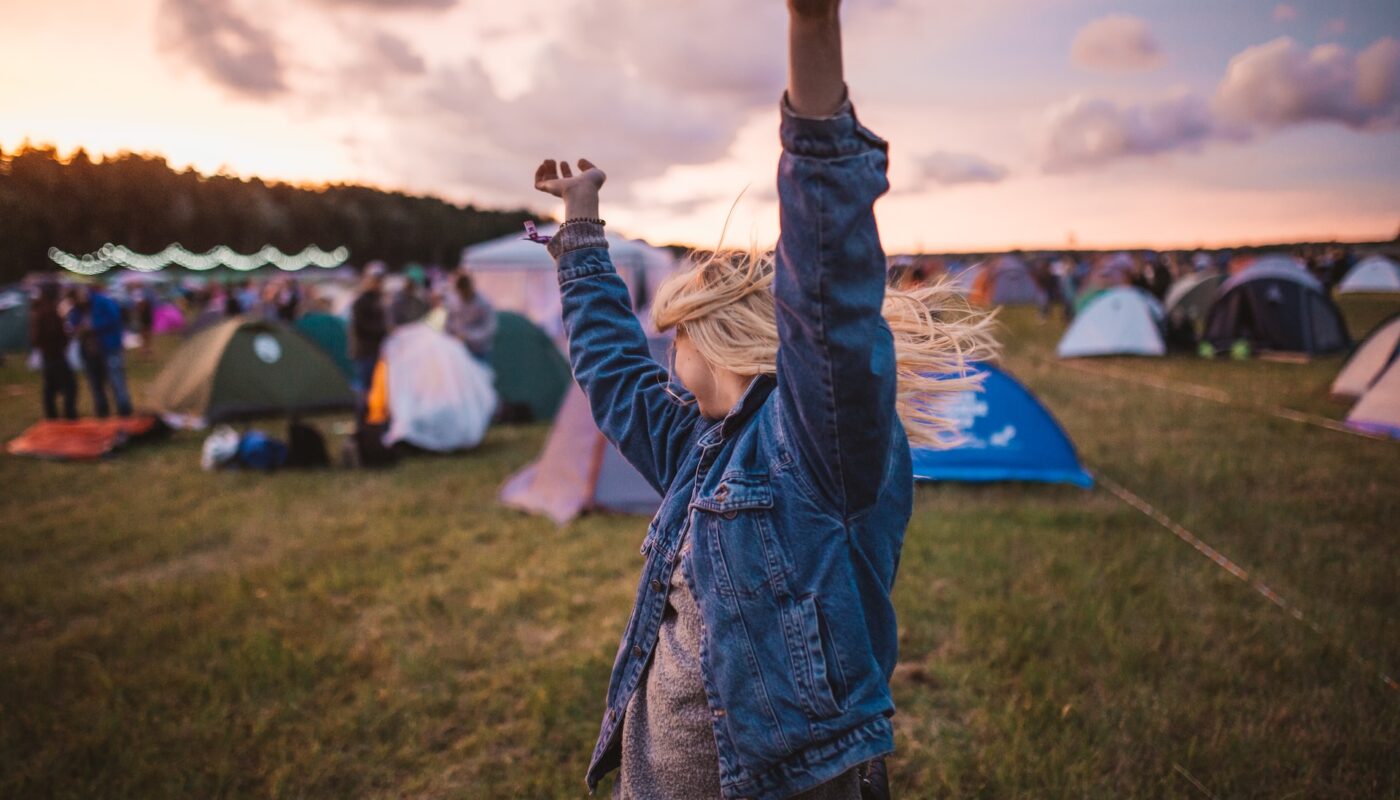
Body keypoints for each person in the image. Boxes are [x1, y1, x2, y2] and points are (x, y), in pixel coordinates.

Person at [532, 2, 995, 798]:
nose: (659, 351)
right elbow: (611, 374)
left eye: (670, 334)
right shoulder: (699, 448)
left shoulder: (818, 444)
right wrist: (581, 230)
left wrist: (812, 37)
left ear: (709, 338)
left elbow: (829, 286)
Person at [67, 283, 133, 418]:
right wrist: (77, 327)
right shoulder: (76, 309)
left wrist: (94, 326)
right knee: (95, 382)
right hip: (89, 350)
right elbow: (73, 324)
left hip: (109, 347)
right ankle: (102, 410)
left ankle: (124, 409)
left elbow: (115, 318)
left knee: (116, 379)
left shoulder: (102, 301)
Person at [30, 282, 77, 420]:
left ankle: (52, 417)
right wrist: (65, 337)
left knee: (50, 388)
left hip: (49, 354)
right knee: (69, 387)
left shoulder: (39, 311)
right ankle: (68, 416)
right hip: (55, 354)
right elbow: (52, 333)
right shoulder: (48, 311)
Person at [350, 265, 389, 395]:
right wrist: (384, 330)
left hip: (376, 350)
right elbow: (362, 327)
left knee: (374, 386)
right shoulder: (361, 302)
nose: (378, 284)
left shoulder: (378, 301)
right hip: (365, 351)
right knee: (365, 386)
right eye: (376, 281)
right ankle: (363, 412)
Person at [445, 273, 498, 362]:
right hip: (459, 349)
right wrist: (452, 336)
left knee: (480, 374)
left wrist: (468, 336)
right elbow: (449, 322)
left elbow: (489, 328)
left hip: (479, 350)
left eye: (466, 291)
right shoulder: (454, 301)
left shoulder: (483, 303)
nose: (464, 294)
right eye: (461, 292)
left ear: (471, 287)